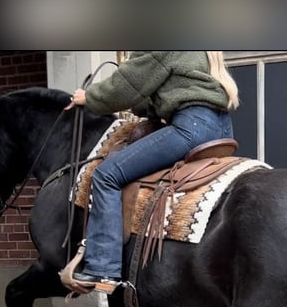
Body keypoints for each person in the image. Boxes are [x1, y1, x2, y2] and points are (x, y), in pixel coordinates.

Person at [65, 51, 240, 293]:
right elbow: (157, 89)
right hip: (221, 128)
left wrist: (90, 97)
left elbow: (127, 86)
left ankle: (103, 267)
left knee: (106, 175)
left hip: (191, 125)